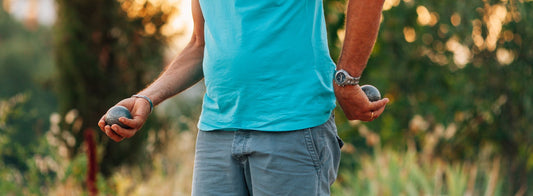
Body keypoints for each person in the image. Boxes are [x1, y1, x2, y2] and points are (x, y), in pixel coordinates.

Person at [98, 0, 389, 195]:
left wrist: (347, 80)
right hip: (216, 134)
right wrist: (146, 98)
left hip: (292, 129)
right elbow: (200, 43)